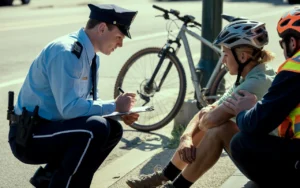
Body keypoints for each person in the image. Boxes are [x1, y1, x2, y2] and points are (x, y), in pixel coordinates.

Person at [126, 19, 277, 188]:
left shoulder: (255, 83)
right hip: (263, 154)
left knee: (219, 128)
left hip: (271, 166)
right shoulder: (250, 77)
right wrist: (186, 138)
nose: (223, 60)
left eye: (225, 54)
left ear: (242, 56)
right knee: (215, 122)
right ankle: (164, 176)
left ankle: (173, 186)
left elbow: (210, 119)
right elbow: (206, 111)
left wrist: (208, 117)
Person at [7, 4, 139, 188]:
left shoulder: (91, 56)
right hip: (29, 135)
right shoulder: (67, 52)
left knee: (113, 128)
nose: (120, 43)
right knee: (96, 128)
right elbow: (69, 108)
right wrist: (115, 105)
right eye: (119, 37)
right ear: (102, 28)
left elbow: (88, 104)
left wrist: (119, 113)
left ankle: (50, 177)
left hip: (51, 128)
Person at [223, 7, 300, 188]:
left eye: (283, 44)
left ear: (292, 42)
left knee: (241, 143)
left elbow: (258, 123)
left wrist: (244, 111)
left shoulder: (295, 67)